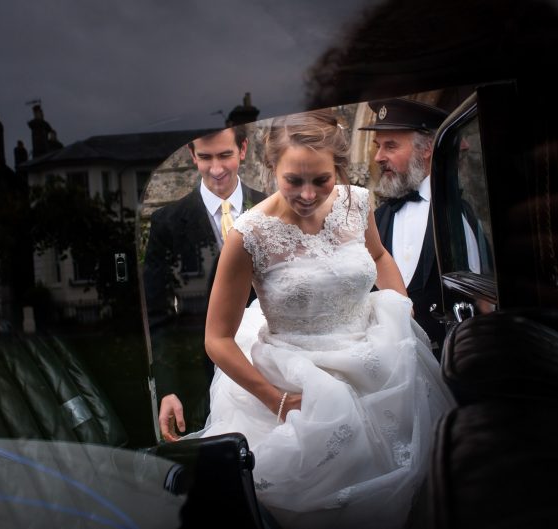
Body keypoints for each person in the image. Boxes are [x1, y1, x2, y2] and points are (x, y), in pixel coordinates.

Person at [181, 109, 454, 529]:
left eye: (321, 180)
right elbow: (217, 339)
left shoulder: (355, 202)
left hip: (378, 363)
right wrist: (277, 400)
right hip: (298, 382)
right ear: (272, 167)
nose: (308, 194)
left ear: (339, 171)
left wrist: (399, 301)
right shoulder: (248, 237)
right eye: (294, 180)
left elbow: (379, 256)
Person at [143, 125, 266, 441]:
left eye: (225, 155)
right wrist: (168, 389)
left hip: (269, 369)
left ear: (242, 149)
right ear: (191, 155)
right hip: (199, 385)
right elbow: (159, 317)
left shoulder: (273, 208)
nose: (216, 169)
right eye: (205, 157)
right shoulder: (166, 223)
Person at [360, 97, 479, 357]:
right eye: (378, 146)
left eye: (390, 146)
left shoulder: (456, 214)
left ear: (426, 148)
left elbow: (479, 304)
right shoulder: (376, 219)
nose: (379, 157)